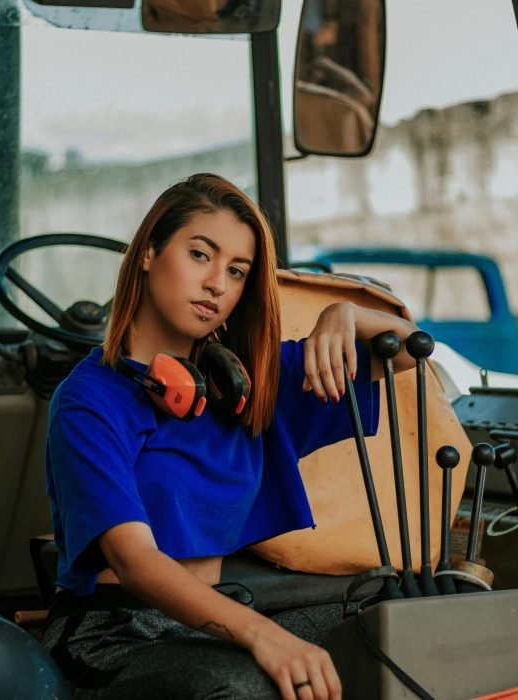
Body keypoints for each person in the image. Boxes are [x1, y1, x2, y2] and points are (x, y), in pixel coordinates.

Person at [43, 173, 418, 700]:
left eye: (237, 270)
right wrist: (266, 637)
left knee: (403, 625)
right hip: (115, 634)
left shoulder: (243, 386)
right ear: (149, 252)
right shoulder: (88, 400)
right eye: (201, 255)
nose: (218, 283)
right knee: (246, 688)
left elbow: (412, 351)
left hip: (218, 614)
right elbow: (133, 560)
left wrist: (346, 315)